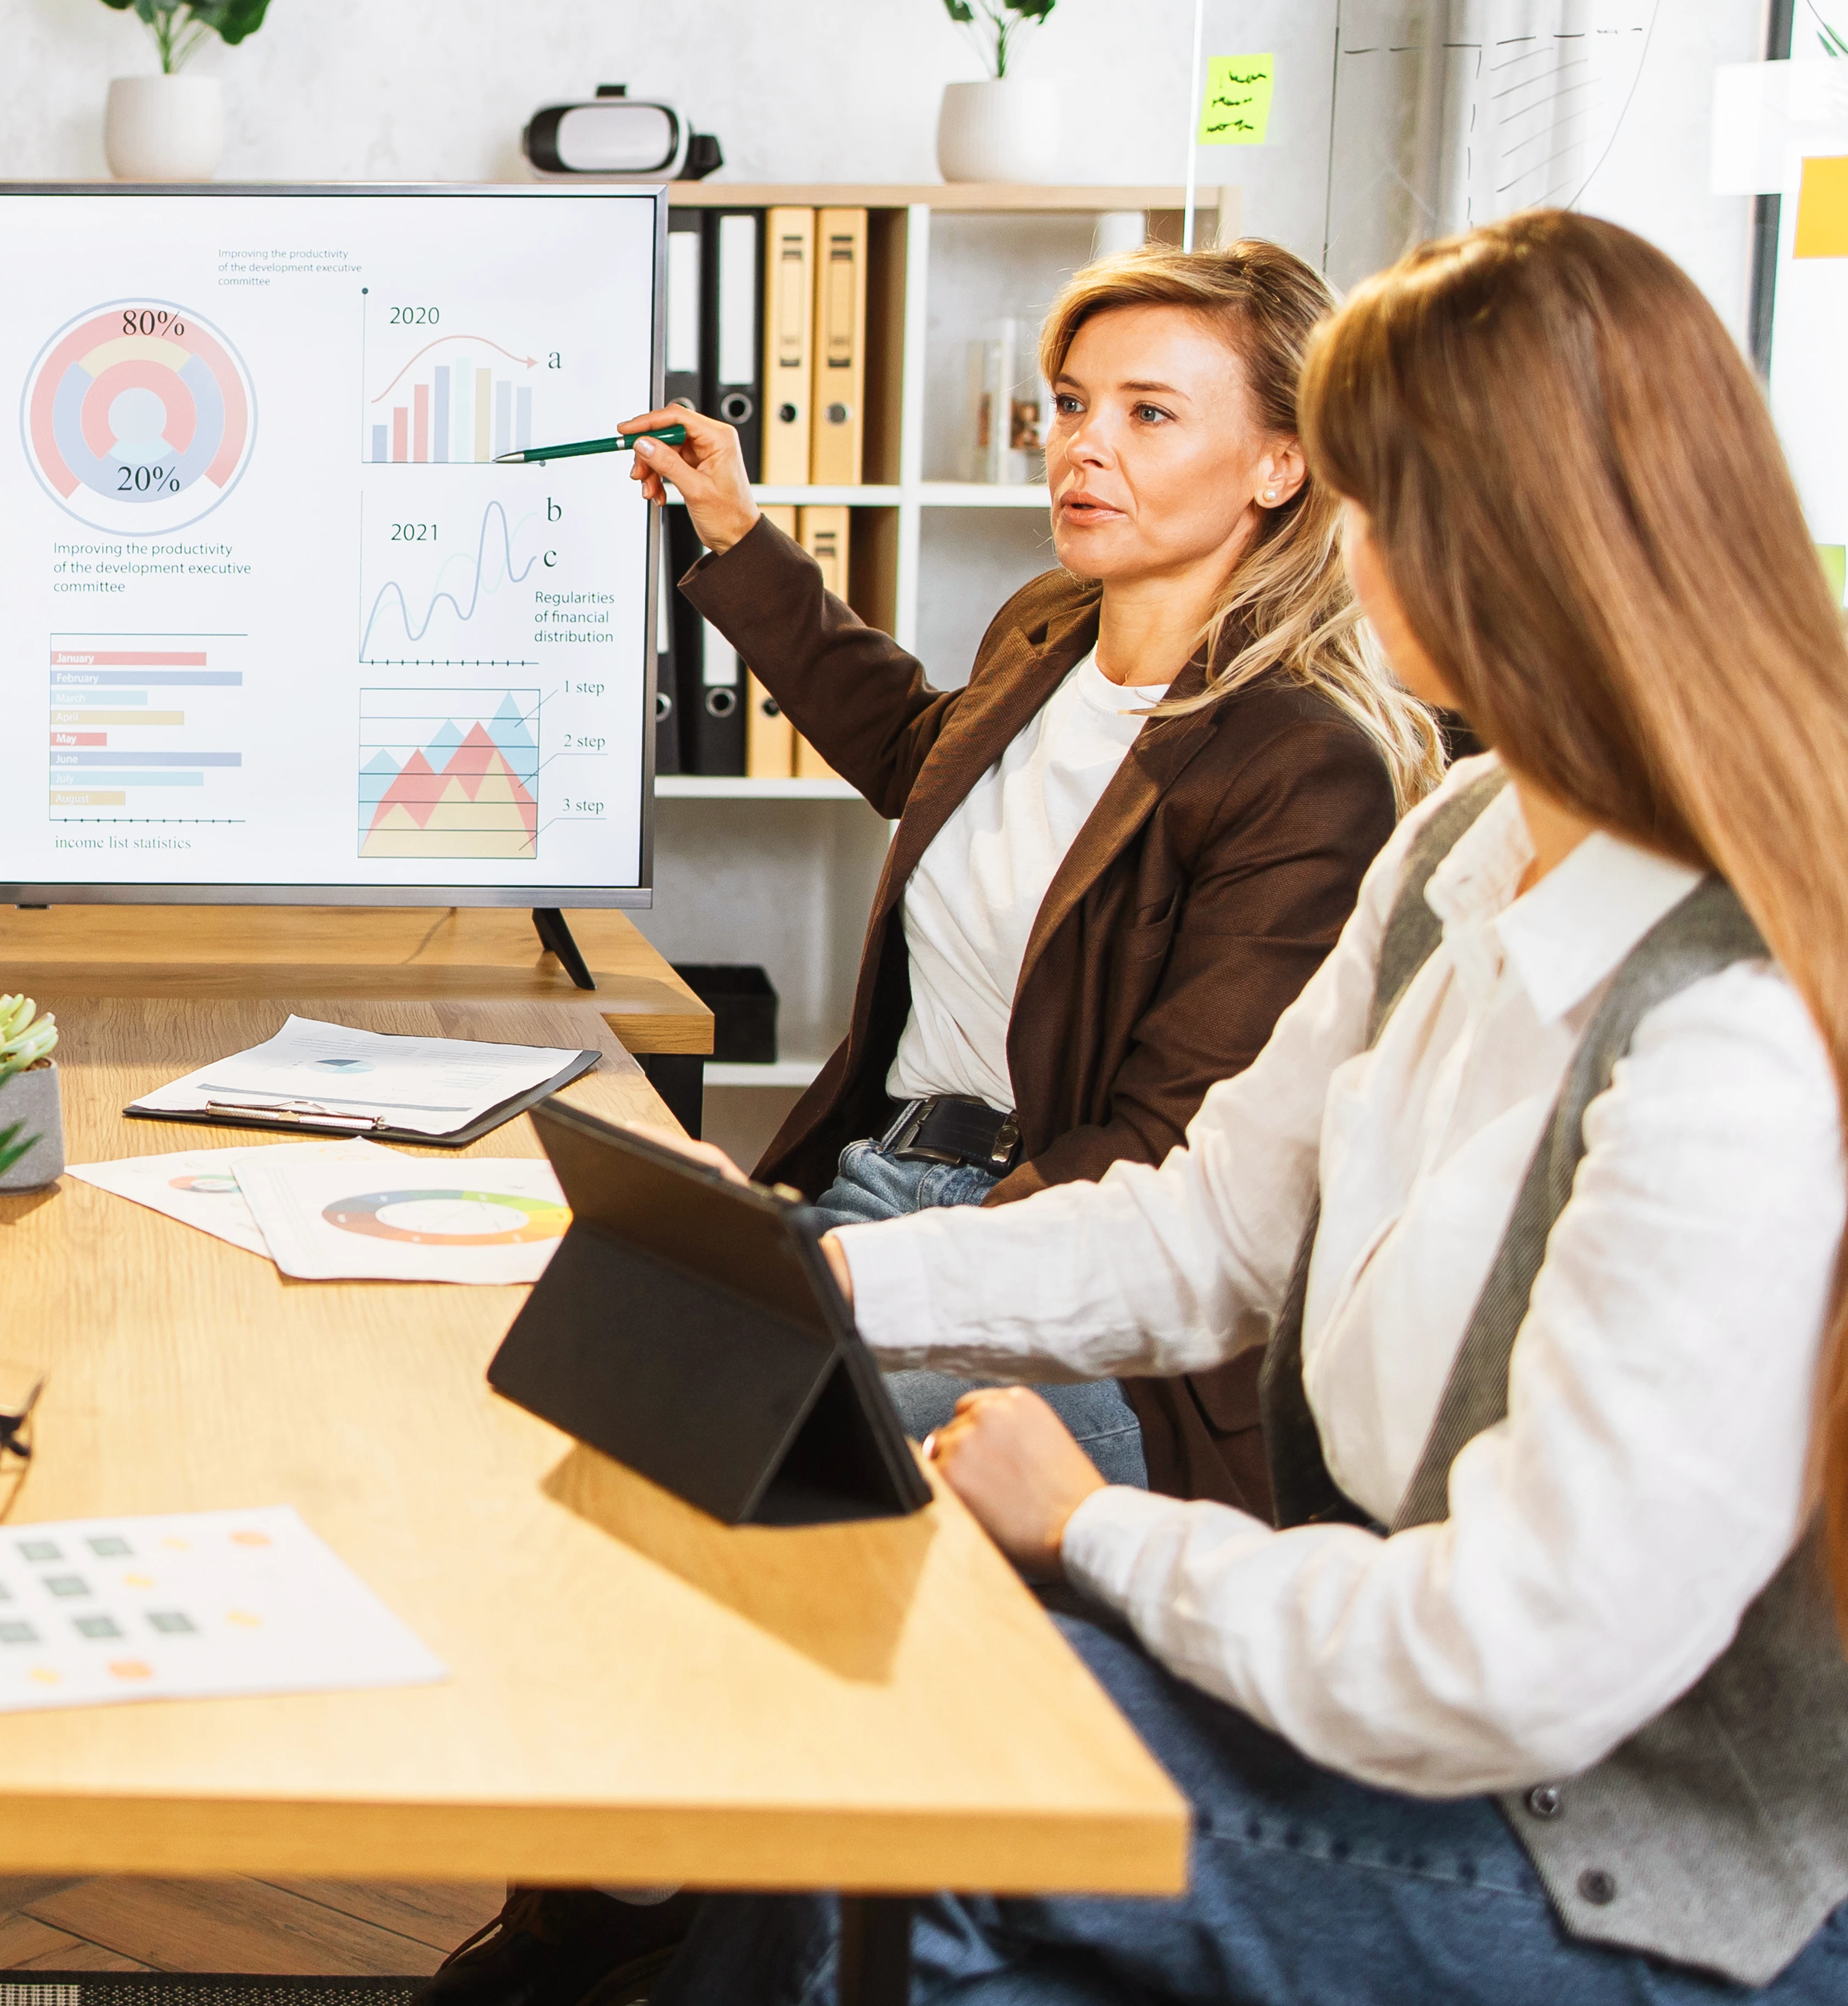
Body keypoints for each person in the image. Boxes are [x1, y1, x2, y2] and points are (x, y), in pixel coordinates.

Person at [664, 209, 1848, 2001]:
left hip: (1652, 1856)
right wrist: (809, 1288)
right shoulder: (1469, 840)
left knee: (906, 1784)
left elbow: (1521, 1657)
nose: (1343, 550)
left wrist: (1094, 1528)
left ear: (1507, 544)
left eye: (1369, 500)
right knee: (832, 1668)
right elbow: (1207, 1230)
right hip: (1435, 1727)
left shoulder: (1738, 1039)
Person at [424, 244, 1439, 2006]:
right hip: (883, 1184)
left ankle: (644, 1937)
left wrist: (863, 1274)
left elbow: (1158, 1170)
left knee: (738, 1486)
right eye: (1067, 408)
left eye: (1146, 414)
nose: (1081, 449)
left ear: (1281, 463)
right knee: (575, 1397)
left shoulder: (1308, 763)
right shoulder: (1047, 635)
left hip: (1081, 1295)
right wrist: (734, 540)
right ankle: (611, 1909)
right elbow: (924, 758)